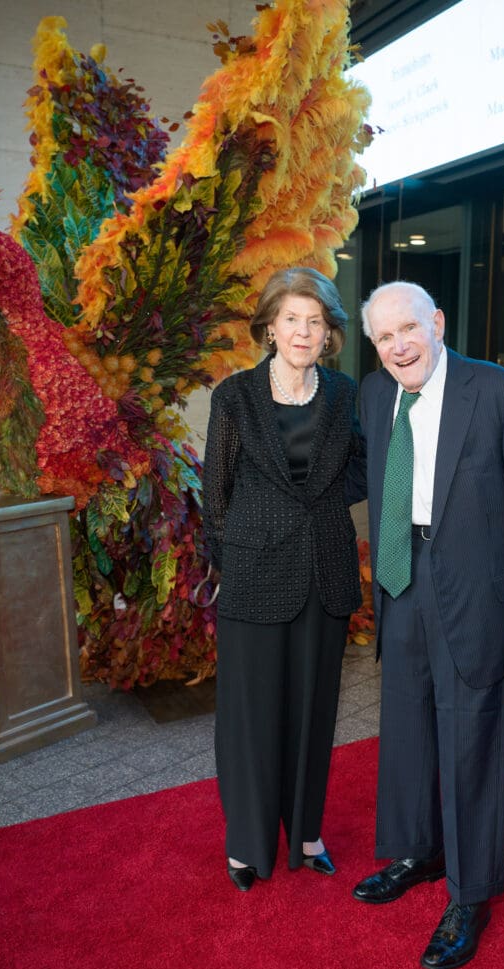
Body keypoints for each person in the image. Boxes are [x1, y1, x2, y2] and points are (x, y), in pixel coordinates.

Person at [352, 281, 504, 969]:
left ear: (437, 323)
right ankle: (419, 851)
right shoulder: (376, 394)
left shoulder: (500, 392)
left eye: (408, 329)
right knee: (408, 725)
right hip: (401, 577)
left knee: (469, 736)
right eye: (383, 337)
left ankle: (469, 896)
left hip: (476, 591)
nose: (398, 346)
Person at [202, 267, 366, 892]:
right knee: (249, 715)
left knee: (313, 713)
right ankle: (246, 844)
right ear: (270, 326)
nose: (303, 331)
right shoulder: (235, 396)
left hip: (323, 572)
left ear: (330, 333)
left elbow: (362, 467)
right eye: (292, 319)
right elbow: (214, 492)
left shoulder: (345, 394)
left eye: (315, 321)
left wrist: (320, 503)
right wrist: (240, 546)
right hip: (253, 574)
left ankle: (306, 832)